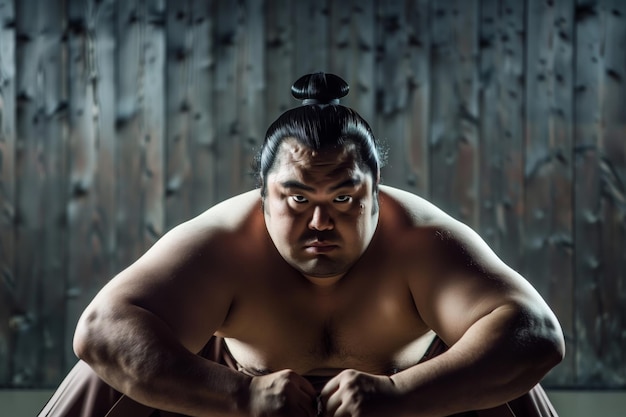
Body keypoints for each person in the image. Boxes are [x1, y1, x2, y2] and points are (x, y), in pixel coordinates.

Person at [40, 73, 564, 417]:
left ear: (378, 198)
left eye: (343, 197)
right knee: (107, 370)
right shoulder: (223, 241)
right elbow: (100, 330)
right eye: (296, 198)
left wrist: (403, 395)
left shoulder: (421, 238)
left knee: (506, 373)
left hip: (409, 397)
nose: (320, 221)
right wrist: (241, 396)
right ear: (263, 199)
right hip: (234, 397)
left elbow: (536, 333)